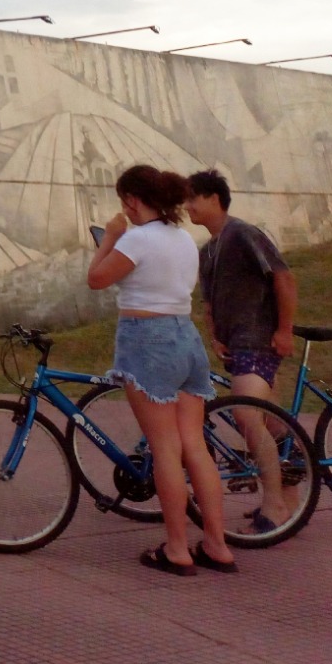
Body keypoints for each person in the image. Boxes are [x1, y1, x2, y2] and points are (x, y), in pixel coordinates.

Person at [87, 165, 238, 577]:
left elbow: (96, 279)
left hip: (145, 338)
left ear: (132, 200)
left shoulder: (135, 238)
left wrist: (111, 237)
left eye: (125, 202)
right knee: (194, 445)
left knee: (164, 447)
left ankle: (176, 548)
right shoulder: (184, 239)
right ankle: (217, 544)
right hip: (185, 338)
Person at [187, 168, 298, 533]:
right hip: (236, 344)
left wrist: (283, 330)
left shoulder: (243, 234)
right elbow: (208, 302)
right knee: (270, 422)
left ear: (215, 198)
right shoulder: (208, 250)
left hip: (258, 340)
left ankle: (275, 504)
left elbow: (282, 276)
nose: (188, 206)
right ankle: (292, 491)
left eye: (194, 198)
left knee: (247, 418)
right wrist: (215, 334)